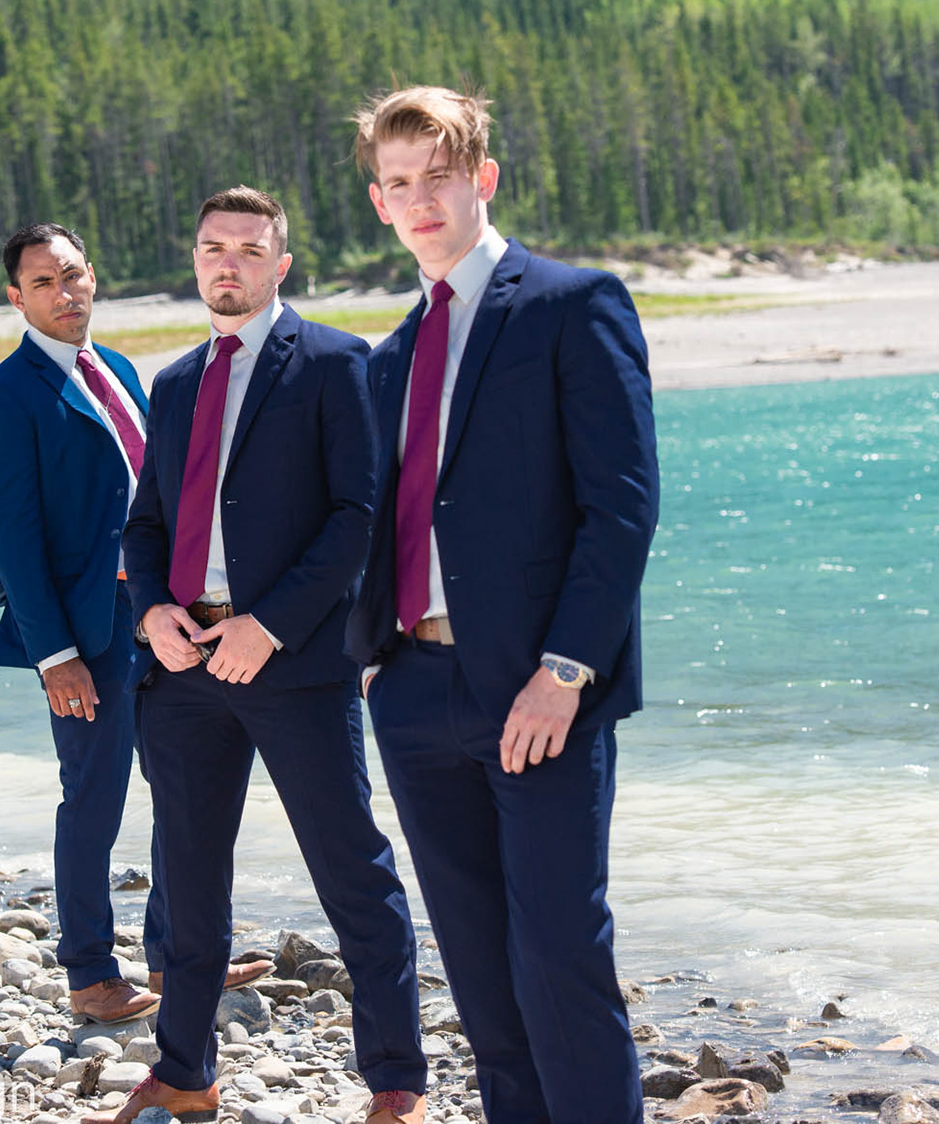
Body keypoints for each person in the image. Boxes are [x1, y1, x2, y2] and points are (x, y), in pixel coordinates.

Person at [344, 86, 660, 1124]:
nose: (420, 198)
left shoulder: (574, 305)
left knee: (562, 956)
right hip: (418, 694)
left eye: (437, 175)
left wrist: (567, 671)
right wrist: (376, 660)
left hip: (540, 694)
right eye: (398, 184)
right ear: (381, 205)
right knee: (480, 973)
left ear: (481, 178)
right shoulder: (388, 358)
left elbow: (621, 508)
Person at [96, 188, 427, 1124]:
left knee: (351, 869)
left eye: (248, 248)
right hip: (183, 663)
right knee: (190, 877)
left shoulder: (333, 363)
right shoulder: (172, 383)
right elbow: (148, 521)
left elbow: (358, 516)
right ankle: (185, 1071)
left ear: (282, 264)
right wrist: (154, 610)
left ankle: (395, 1082)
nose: (228, 263)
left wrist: (268, 624)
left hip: (296, 665)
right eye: (212, 248)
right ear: (195, 262)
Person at [0, 222, 170, 1024]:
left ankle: (176, 959)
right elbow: (14, 537)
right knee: (94, 797)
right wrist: (55, 654)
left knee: (183, 786)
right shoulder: (3, 396)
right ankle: (89, 971)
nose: (65, 292)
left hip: (161, 616)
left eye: (74, 275)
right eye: (44, 283)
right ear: (16, 297)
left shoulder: (115, 367)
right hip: (89, 629)